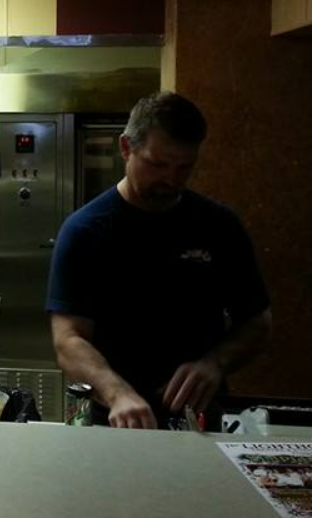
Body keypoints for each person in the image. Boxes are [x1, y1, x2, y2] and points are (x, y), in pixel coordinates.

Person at [46, 91, 272, 429]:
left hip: (198, 419)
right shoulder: (86, 231)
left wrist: (215, 364)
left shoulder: (219, 226)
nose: (171, 179)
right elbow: (68, 338)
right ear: (126, 147)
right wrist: (116, 391)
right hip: (114, 419)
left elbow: (257, 322)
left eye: (184, 167)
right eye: (158, 164)